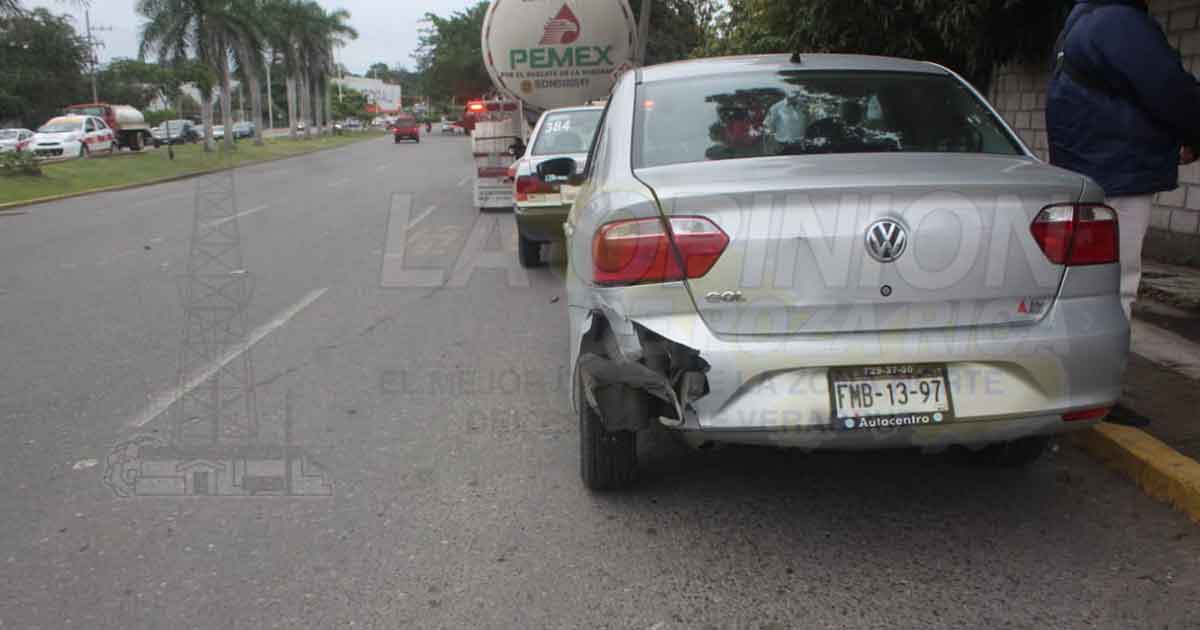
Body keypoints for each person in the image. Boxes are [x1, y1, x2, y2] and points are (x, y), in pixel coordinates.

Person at [1047, 0, 1200, 321]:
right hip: (1119, 173)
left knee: (1083, 285)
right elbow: (1169, 88)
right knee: (1116, 287)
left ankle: (1078, 362)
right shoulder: (1118, 22)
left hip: (1086, 172)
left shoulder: (1076, 27)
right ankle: (1102, 366)